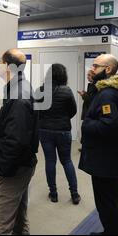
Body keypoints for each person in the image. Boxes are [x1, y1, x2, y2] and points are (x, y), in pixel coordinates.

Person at [78, 54, 118, 235]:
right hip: (112, 157)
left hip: (105, 159)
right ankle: (113, 230)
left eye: (95, 66)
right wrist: (92, 84)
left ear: (108, 69)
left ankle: (111, 232)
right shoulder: (113, 90)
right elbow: (99, 104)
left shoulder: (108, 94)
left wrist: (86, 124)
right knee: (112, 196)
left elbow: (108, 125)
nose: (91, 69)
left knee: (105, 199)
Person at [0, 48, 39, 235]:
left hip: (14, 169)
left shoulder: (19, 95)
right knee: (18, 219)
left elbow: (16, 140)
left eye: (0, 62)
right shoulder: (19, 87)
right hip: (21, 165)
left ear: (8, 66)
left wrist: (4, 168)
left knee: (1, 226)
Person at [37, 64, 81, 205]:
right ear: (63, 76)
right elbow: (73, 110)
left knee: (50, 161)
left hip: (45, 131)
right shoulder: (67, 91)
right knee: (67, 161)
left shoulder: (41, 90)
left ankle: (54, 193)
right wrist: (63, 117)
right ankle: (74, 194)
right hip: (63, 131)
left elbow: (36, 110)